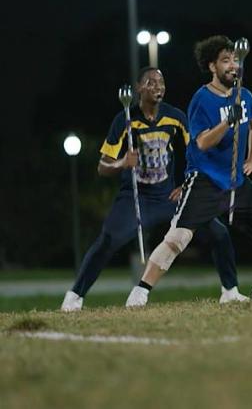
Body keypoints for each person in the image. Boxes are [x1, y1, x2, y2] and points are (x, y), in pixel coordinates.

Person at [125, 35, 252, 307]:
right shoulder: (202, 99)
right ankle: (140, 292)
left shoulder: (246, 96)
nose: (233, 65)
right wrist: (228, 120)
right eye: (225, 60)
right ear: (212, 66)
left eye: (235, 60)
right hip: (204, 179)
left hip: (236, 182)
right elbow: (202, 142)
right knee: (178, 238)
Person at [60, 67, 241, 311]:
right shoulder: (125, 119)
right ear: (139, 89)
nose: (158, 87)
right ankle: (75, 296)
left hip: (169, 196)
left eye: (161, 82)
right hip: (137, 197)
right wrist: (122, 163)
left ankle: (230, 291)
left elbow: (198, 151)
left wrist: (186, 184)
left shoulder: (175, 116)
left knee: (219, 233)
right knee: (108, 241)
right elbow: (103, 166)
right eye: (151, 82)